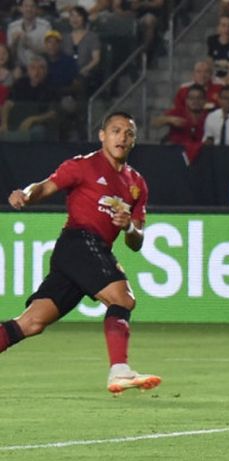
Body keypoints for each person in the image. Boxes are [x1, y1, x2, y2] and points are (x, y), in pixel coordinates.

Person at [4, 111, 162, 394]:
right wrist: (26, 195)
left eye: (128, 133)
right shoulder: (83, 166)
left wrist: (128, 228)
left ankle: (119, 370)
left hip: (87, 253)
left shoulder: (137, 184)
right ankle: (119, 370)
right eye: (115, 130)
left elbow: (136, 242)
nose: (122, 137)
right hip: (78, 242)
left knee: (31, 323)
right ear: (102, 135)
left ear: (134, 142)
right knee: (122, 299)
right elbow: (45, 185)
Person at [0, 56, 57, 141]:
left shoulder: (52, 86)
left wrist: (33, 120)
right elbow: (7, 104)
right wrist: (4, 123)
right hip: (17, 122)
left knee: (38, 132)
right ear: (28, 70)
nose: (36, 72)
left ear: (46, 71)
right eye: (33, 68)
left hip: (38, 125)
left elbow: (53, 113)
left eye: (41, 68)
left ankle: (8, 138)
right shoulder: (20, 83)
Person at [7, 0, 51, 71]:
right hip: (20, 67)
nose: (29, 9)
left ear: (36, 9)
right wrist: (14, 43)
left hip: (39, 66)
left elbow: (48, 50)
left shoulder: (46, 26)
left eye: (32, 6)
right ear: (21, 8)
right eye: (26, 6)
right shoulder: (12, 27)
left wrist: (29, 43)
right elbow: (9, 55)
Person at [207, 14, 229, 83]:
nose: (226, 29)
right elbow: (209, 60)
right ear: (218, 28)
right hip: (215, 78)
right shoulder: (212, 40)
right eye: (223, 25)